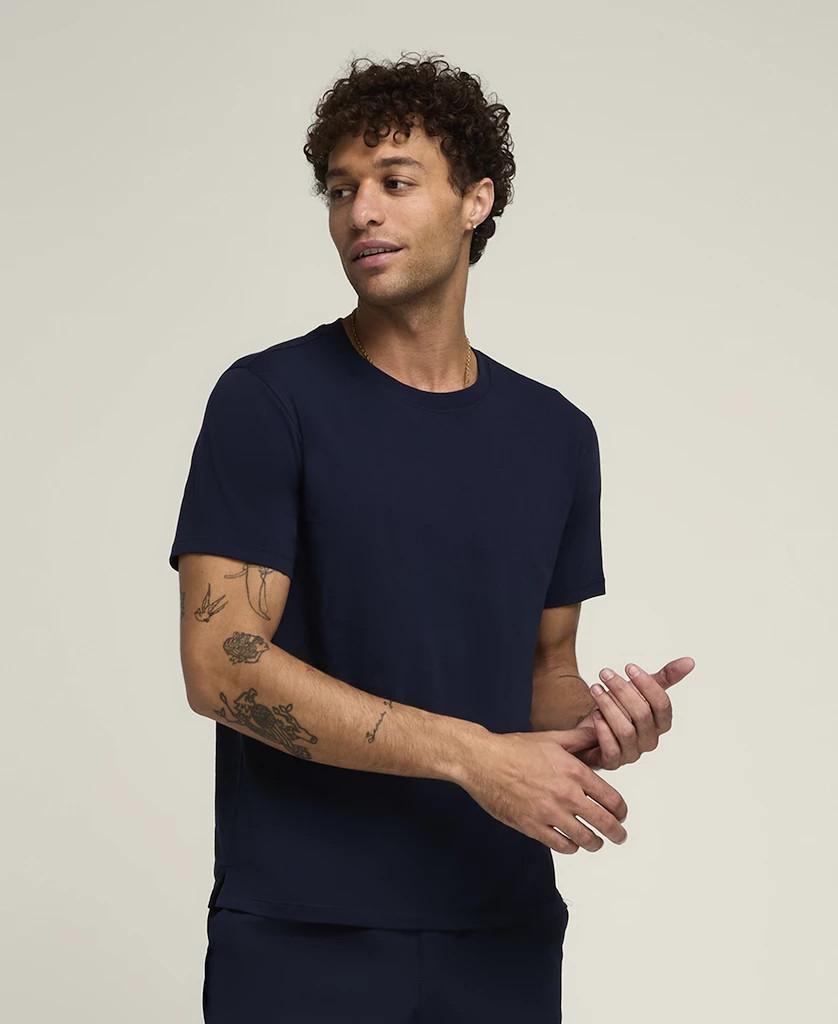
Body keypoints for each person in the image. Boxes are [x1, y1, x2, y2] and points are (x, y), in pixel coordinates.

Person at [169, 51, 694, 1023]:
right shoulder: (269, 401)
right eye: (341, 189)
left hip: (498, 934)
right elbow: (221, 665)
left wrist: (601, 728)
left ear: (475, 200)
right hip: (303, 937)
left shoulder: (556, 436)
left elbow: (544, 671)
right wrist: (471, 756)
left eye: (395, 181)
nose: (360, 212)